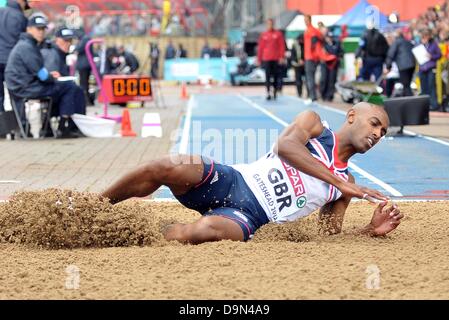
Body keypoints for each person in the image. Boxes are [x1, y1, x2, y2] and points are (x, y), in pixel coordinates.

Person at [101, 103, 403, 244]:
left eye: (383, 132)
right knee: (167, 166)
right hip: (233, 180)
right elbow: (284, 145)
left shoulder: (346, 185)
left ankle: (140, 234)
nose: (377, 133)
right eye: (374, 123)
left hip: (251, 218)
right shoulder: (315, 126)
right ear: (352, 116)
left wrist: (368, 230)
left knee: (203, 231)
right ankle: (93, 206)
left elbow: (326, 234)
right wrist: (336, 180)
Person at [5, 15, 86, 139]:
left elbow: (39, 72)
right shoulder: (27, 47)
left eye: (43, 29)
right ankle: (64, 127)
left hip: (22, 86)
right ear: (29, 29)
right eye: (38, 29)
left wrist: (49, 76)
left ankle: (52, 127)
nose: (41, 32)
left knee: (64, 87)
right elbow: (42, 75)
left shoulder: (26, 45)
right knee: (69, 87)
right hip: (26, 88)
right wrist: (52, 78)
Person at [0, 0, 29, 114]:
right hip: (12, 62)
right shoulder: (20, 17)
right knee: (17, 96)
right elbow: (23, 42)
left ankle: (1, 129)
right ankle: (20, 127)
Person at [257, 18, 285, 101]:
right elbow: (260, 48)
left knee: (276, 76)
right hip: (266, 59)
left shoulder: (278, 34)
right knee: (267, 76)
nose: (270, 25)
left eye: (271, 24)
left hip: (275, 58)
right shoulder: (264, 35)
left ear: (273, 24)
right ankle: (268, 92)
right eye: (268, 24)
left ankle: (275, 91)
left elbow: (281, 46)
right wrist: (259, 59)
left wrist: (281, 57)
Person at [385, 29, 416, 97]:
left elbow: (390, 54)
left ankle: (411, 101)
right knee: (407, 84)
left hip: (403, 66)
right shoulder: (407, 42)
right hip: (412, 65)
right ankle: (407, 100)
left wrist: (388, 67)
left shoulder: (396, 42)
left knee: (406, 85)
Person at [418, 28, 442, 111]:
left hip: (430, 68)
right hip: (422, 69)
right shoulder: (419, 45)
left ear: (429, 36)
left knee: (431, 86)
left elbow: (439, 55)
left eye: (425, 36)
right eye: (423, 37)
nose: (424, 38)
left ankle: (434, 105)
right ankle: (425, 105)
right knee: (423, 88)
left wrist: (432, 56)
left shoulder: (433, 44)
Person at [303, 15, 323, 103]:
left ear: (310, 20)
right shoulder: (308, 30)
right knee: (310, 77)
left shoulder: (312, 30)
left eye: (306, 20)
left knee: (310, 77)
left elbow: (315, 41)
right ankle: (312, 95)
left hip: (311, 57)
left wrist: (313, 53)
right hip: (310, 57)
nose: (305, 21)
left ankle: (312, 97)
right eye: (304, 20)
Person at [320, 30, 343, 102]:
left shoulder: (337, 44)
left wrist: (336, 57)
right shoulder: (323, 45)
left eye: (331, 37)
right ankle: (323, 94)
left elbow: (341, 53)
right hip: (325, 65)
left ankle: (330, 96)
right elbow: (321, 55)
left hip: (333, 65)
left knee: (332, 80)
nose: (330, 38)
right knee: (324, 79)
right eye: (328, 37)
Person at [74, 30, 94, 106]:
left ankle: (86, 101)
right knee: (85, 83)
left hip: (84, 65)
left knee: (83, 84)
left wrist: (76, 46)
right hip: (87, 64)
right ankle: (87, 100)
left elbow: (79, 48)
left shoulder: (84, 39)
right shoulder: (86, 38)